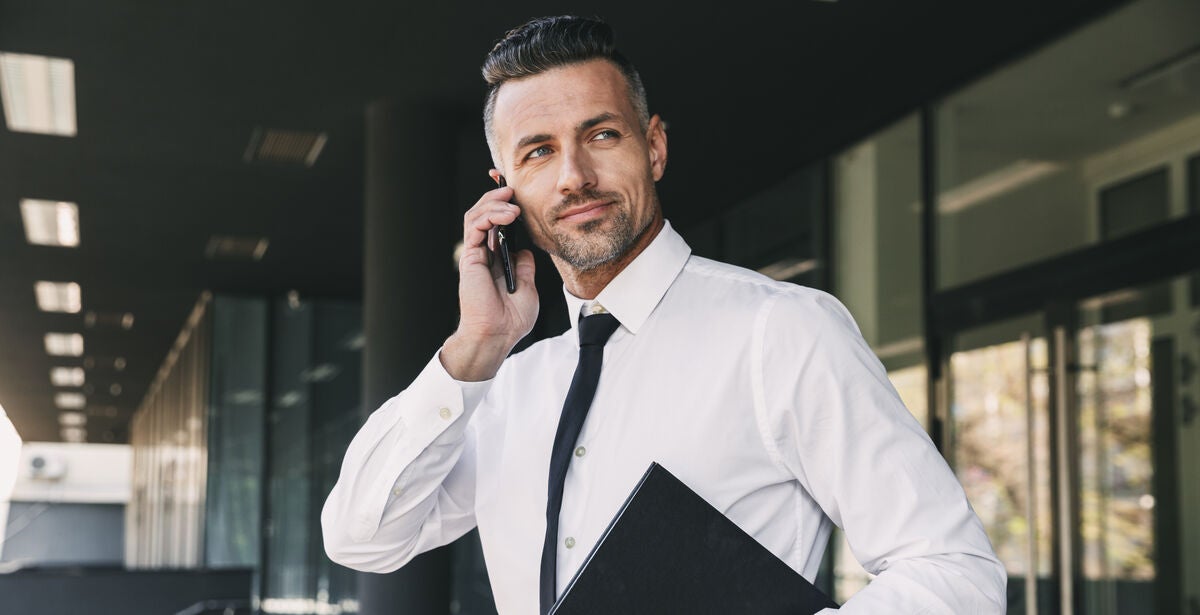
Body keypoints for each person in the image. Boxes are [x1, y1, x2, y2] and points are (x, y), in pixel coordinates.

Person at [322, 15, 1006, 615]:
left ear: (653, 146)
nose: (573, 175)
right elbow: (362, 534)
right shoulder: (505, 388)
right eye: (539, 151)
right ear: (506, 191)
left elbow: (955, 575)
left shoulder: (783, 332)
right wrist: (475, 347)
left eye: (601, 134)